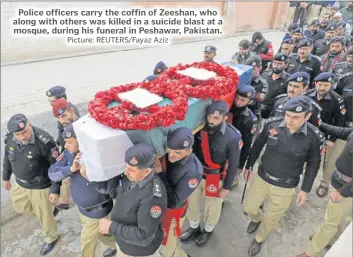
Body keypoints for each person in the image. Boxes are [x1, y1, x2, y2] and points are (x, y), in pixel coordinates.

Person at [243, 96, 326, 256]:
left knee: (272, 218)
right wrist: (249, 165)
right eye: (287, 115)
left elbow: (313, 164)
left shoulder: (314, 137)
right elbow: (258, 145)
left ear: (307, 116)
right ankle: (257, 218)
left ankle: (260, 238)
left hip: (285, 186)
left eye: (295, 117)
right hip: (262, 178)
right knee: (249, 208)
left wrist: (305, 190)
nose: (289, 120)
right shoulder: (272, 125)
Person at [48, 124, 117, 257]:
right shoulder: (70, 153)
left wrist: (87, 171)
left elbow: (110, 187)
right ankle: (116, 246)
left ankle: (118, 246)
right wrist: (70, 170)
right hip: (83, 209)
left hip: (98, 210)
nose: (66, 146)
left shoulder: (97, 156)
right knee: (103, 235)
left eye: (69, 142)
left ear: (81, 140)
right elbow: (52, 172)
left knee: (86, 243)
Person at [180, 100, 242, 246]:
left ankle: (207, 230)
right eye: (209, 117)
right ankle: (194, 227)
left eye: (216, 118)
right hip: (196, 173)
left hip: (215, 176)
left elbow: (233, 164)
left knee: (212, 206)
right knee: (191, 202)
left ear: (225, 117)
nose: (212, 121)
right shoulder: (199, 129)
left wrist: (226, 187)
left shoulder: (233, 136)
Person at [2, 114, 60, 256]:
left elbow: (56, 167)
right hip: (21, 184)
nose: (22, 137)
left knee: (44, 216)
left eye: (24, 132)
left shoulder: (45, 142)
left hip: (40, 186)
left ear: (30, 125)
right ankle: (50, 211)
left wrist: (54, 190)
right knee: (21, 207)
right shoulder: (11, 138)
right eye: (18, 134)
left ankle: (51, 237)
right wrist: (5, 178)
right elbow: (7, 159)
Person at [98, 143, 167, 257]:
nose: (125, 172)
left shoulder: (153, 198)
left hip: (138, 251)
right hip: (124, 241)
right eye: (125, 167)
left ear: (147, 171)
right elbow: (115, 193)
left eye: (131, 170)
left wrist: (111, 227)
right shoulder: (131, 177)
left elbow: (144, 236)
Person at [296, 124, 352, 257]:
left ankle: (311, 253)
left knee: (330, 223)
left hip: (346, 189)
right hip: (339, 181)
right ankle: (332, 240)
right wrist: (319, 124)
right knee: (337, 217)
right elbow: (342, 131)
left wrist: (342, 193)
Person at [154, 127, 203, 257]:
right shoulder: (167, 154)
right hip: (158, 205)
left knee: (167, 250)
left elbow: (174, 202)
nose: (171, 155)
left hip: (172, 213)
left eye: (177, 153)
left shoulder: (193, 171)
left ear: (189, 151)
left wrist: (160, 173)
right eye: (169, 150)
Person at [305, 72, 346, 198]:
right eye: (320, 84)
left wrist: (332, 139)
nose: (322, 88)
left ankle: (324, 183)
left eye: (326, 85)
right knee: (306, 158)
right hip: (309, 133)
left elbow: (340, 121)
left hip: (327, 135)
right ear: (315, 84)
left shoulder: (337, 100)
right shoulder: (307, 95)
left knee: (329, 162)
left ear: (331, 85)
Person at [51, 98, 81, 210]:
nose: (61, 120)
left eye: (63, 116)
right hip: (70, 155)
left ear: (72, 111)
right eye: (58, 118)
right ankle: (64, 200)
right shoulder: (62, 125)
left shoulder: (82, 126)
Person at [229, 86, 258, 187]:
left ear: (249, 101)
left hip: (235, 151)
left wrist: (241, 166)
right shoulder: (229, 108)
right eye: (237, 97)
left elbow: (247, 144)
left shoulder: (250, 120)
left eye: (242, 100)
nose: (238, 102)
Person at [46, 86, 80, 152]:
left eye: (53, 101)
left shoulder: (69, 112)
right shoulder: (59, 112)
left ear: (63, 99)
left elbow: (73, 138)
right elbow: (61, 131)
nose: (50, 104)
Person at [261, 53, 290, 118]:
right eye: (274, 63)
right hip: (261, 109)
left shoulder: (288, 80)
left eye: (279, 64)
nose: (276, 66)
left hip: (275, 112)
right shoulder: (265, 75)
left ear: (286, 65)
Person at [245, 55, 269, 119]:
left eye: (253, 69)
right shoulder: (243, 78)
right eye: (247, 68)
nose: (249, 71)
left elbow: (256, 102)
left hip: (252, 114)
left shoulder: (262, 84)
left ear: (260, 68)